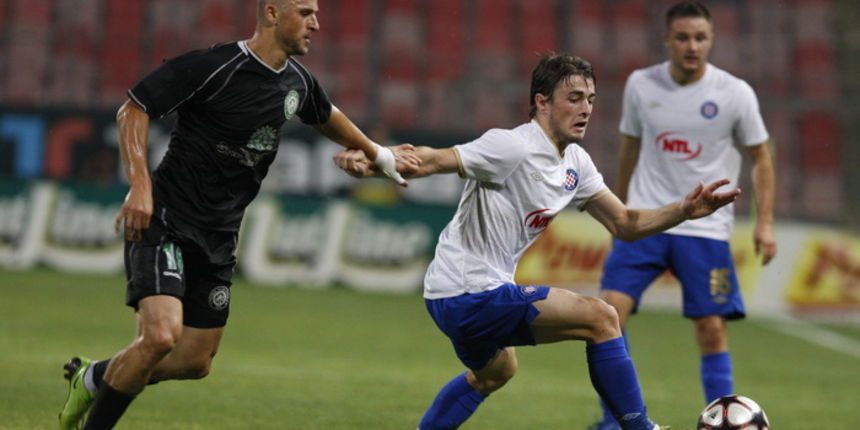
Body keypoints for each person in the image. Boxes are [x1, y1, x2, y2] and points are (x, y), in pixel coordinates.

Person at [57, 1, 418, 429]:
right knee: (158, 337)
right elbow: (133, 108)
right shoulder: (213, 65)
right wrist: (139, 185)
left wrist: (376, 153)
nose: (316, 24)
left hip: (219, 235)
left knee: (195, 361)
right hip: (166, 218)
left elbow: (326, 115)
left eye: (316, 13)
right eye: (305, 12)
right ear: (271, 13)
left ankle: (95, 376)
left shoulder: (298, 82)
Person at [334, 53, 741, 430]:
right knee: (601, 318)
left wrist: (683, 211)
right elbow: (431, 159)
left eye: (591, 99)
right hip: (468, 291)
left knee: (496, 372)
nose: (585, 109)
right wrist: (374, 159)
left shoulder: (576, 163)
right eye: (574, 98)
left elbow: (626, 223)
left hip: (453, 293)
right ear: (542, 102)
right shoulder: (512, 145)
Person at [588, 2, 777, 429]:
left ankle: (721, 423)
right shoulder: (641, 84)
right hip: (648, 219)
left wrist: (764, 222)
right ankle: (612, 421)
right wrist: (619, 211)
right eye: (683, 37)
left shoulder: (735, 93)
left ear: (711, 40)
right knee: (607, 316)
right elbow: (629, 148)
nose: (692, 46)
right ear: (667, 40)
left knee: (711, 328)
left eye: (700, 37)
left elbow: (761, 158)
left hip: (705, 229)